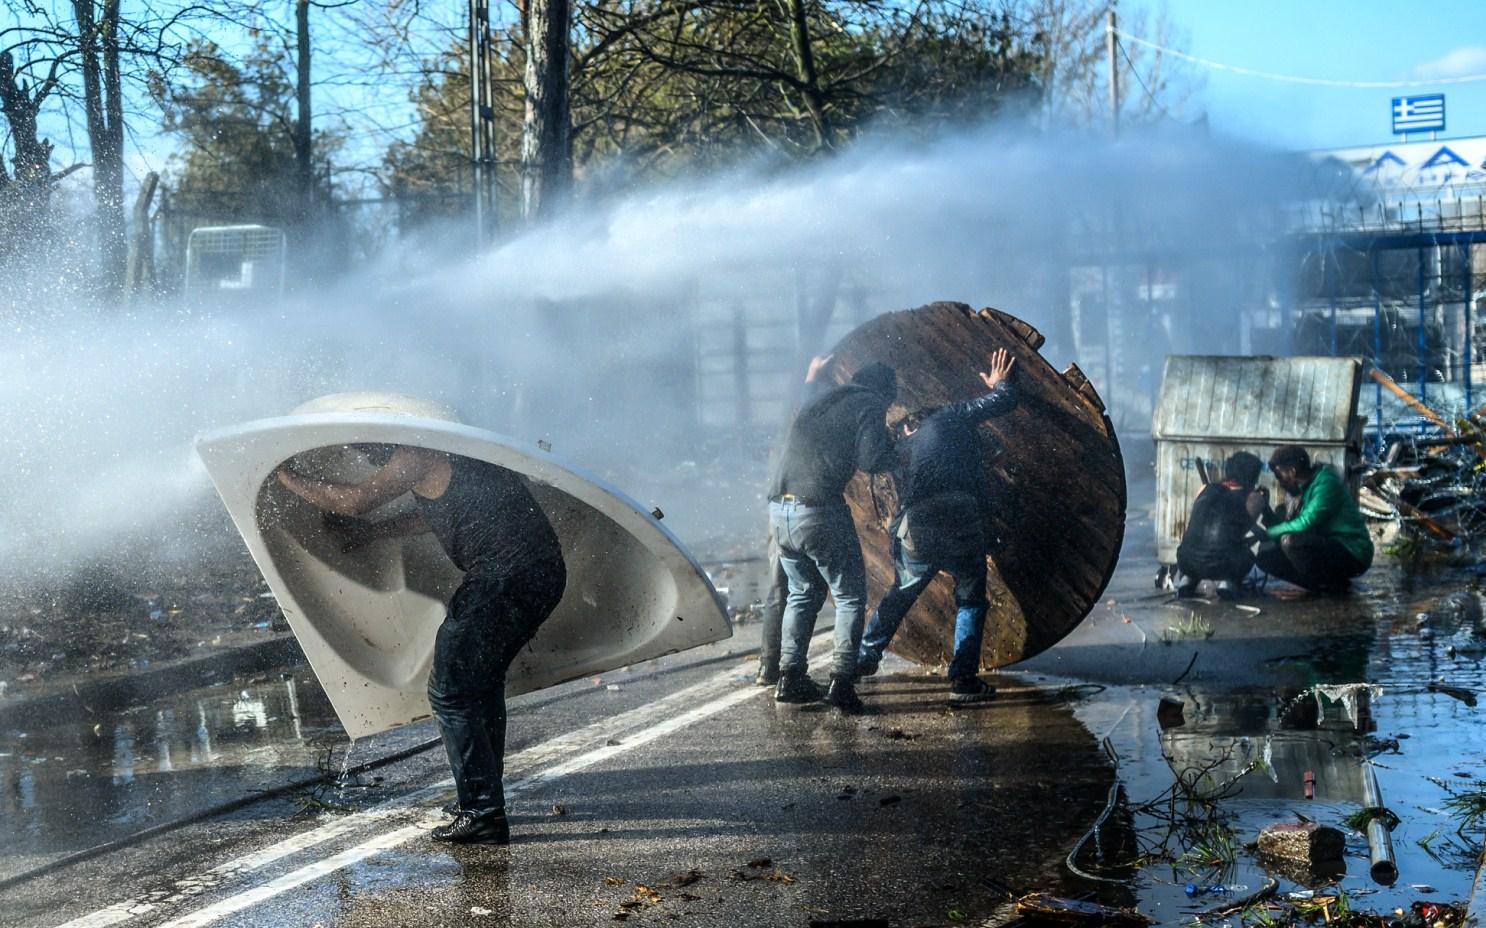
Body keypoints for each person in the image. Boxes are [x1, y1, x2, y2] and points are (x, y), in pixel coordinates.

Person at [276, 445, 566, 845]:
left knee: (452, 692)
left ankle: (482, 812)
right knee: (480, 684)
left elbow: (356, 501)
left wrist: (285, 476)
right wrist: (374, 534)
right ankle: (482, 800)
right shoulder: (457, 449)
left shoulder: (415, 454)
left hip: (504, 581)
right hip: (537, 575)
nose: (364, 455)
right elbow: (436, 513)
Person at [855, 348, 1017, 703]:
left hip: (921, 525)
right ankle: (963, 679)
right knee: (971, 599)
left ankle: (865, 657)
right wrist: (999, 384)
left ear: (912, 421)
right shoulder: (951, 417)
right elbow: (1004, 400)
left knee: (902, 592)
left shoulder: (900, 450)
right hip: (962, 519)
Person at [768, 360, 898, 713]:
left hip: (780, 510)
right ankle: (842, 681)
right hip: (819, 509)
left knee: (802, 592)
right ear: (884, 392)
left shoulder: (821, 399)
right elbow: (872, 460)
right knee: (851, 596)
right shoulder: (869, 403)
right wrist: (902, 447)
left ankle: (789, 677)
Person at [757, 353, 835, 688]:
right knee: (798, 589)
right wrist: (812, 379)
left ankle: (770, 667)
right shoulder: (802, 422)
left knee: (783, 589)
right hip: (793, 507)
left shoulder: (792, 427)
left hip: (779, 508)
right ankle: (781, 669)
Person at [1254, 445, 1373, 594]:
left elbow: (1305, 523)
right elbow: (1289, 526)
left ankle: (1322, 587)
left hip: (1352, 552)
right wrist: (1266, 510)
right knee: (1266, 558)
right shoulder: (1301, 489)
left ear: (1292, 472)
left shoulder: (1326, 484)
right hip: (1328, 547)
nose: (1280, 483)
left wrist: (1269, 533)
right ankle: (1324, 584)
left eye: (1280, 476)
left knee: (1290, 542)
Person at [1175, 451, 1266, 600]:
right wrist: (1263, 502)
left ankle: (1187, 580)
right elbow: (1240, 531)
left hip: (1186, 561)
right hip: (1224, 565)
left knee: (1194, 547)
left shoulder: (1204, 489)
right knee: (1247, 554)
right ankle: (1228, 583)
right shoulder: (1253, 498)